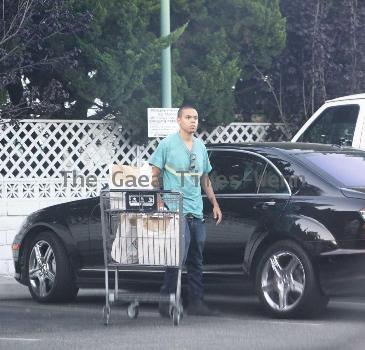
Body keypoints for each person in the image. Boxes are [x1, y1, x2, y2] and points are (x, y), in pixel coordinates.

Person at [149, 104, 222, 316]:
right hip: (175, 211)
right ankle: (167, 301)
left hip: (196, 212)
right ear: (179, 120)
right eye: (188, 117)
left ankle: (196, 303)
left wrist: (215, 204)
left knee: (196, 260)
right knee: (176, 258)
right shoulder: (167, 145)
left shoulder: (200, 147)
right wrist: (160, 199)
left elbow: (205, 179)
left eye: (196, 118)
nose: (193, 121)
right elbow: (154, 175)